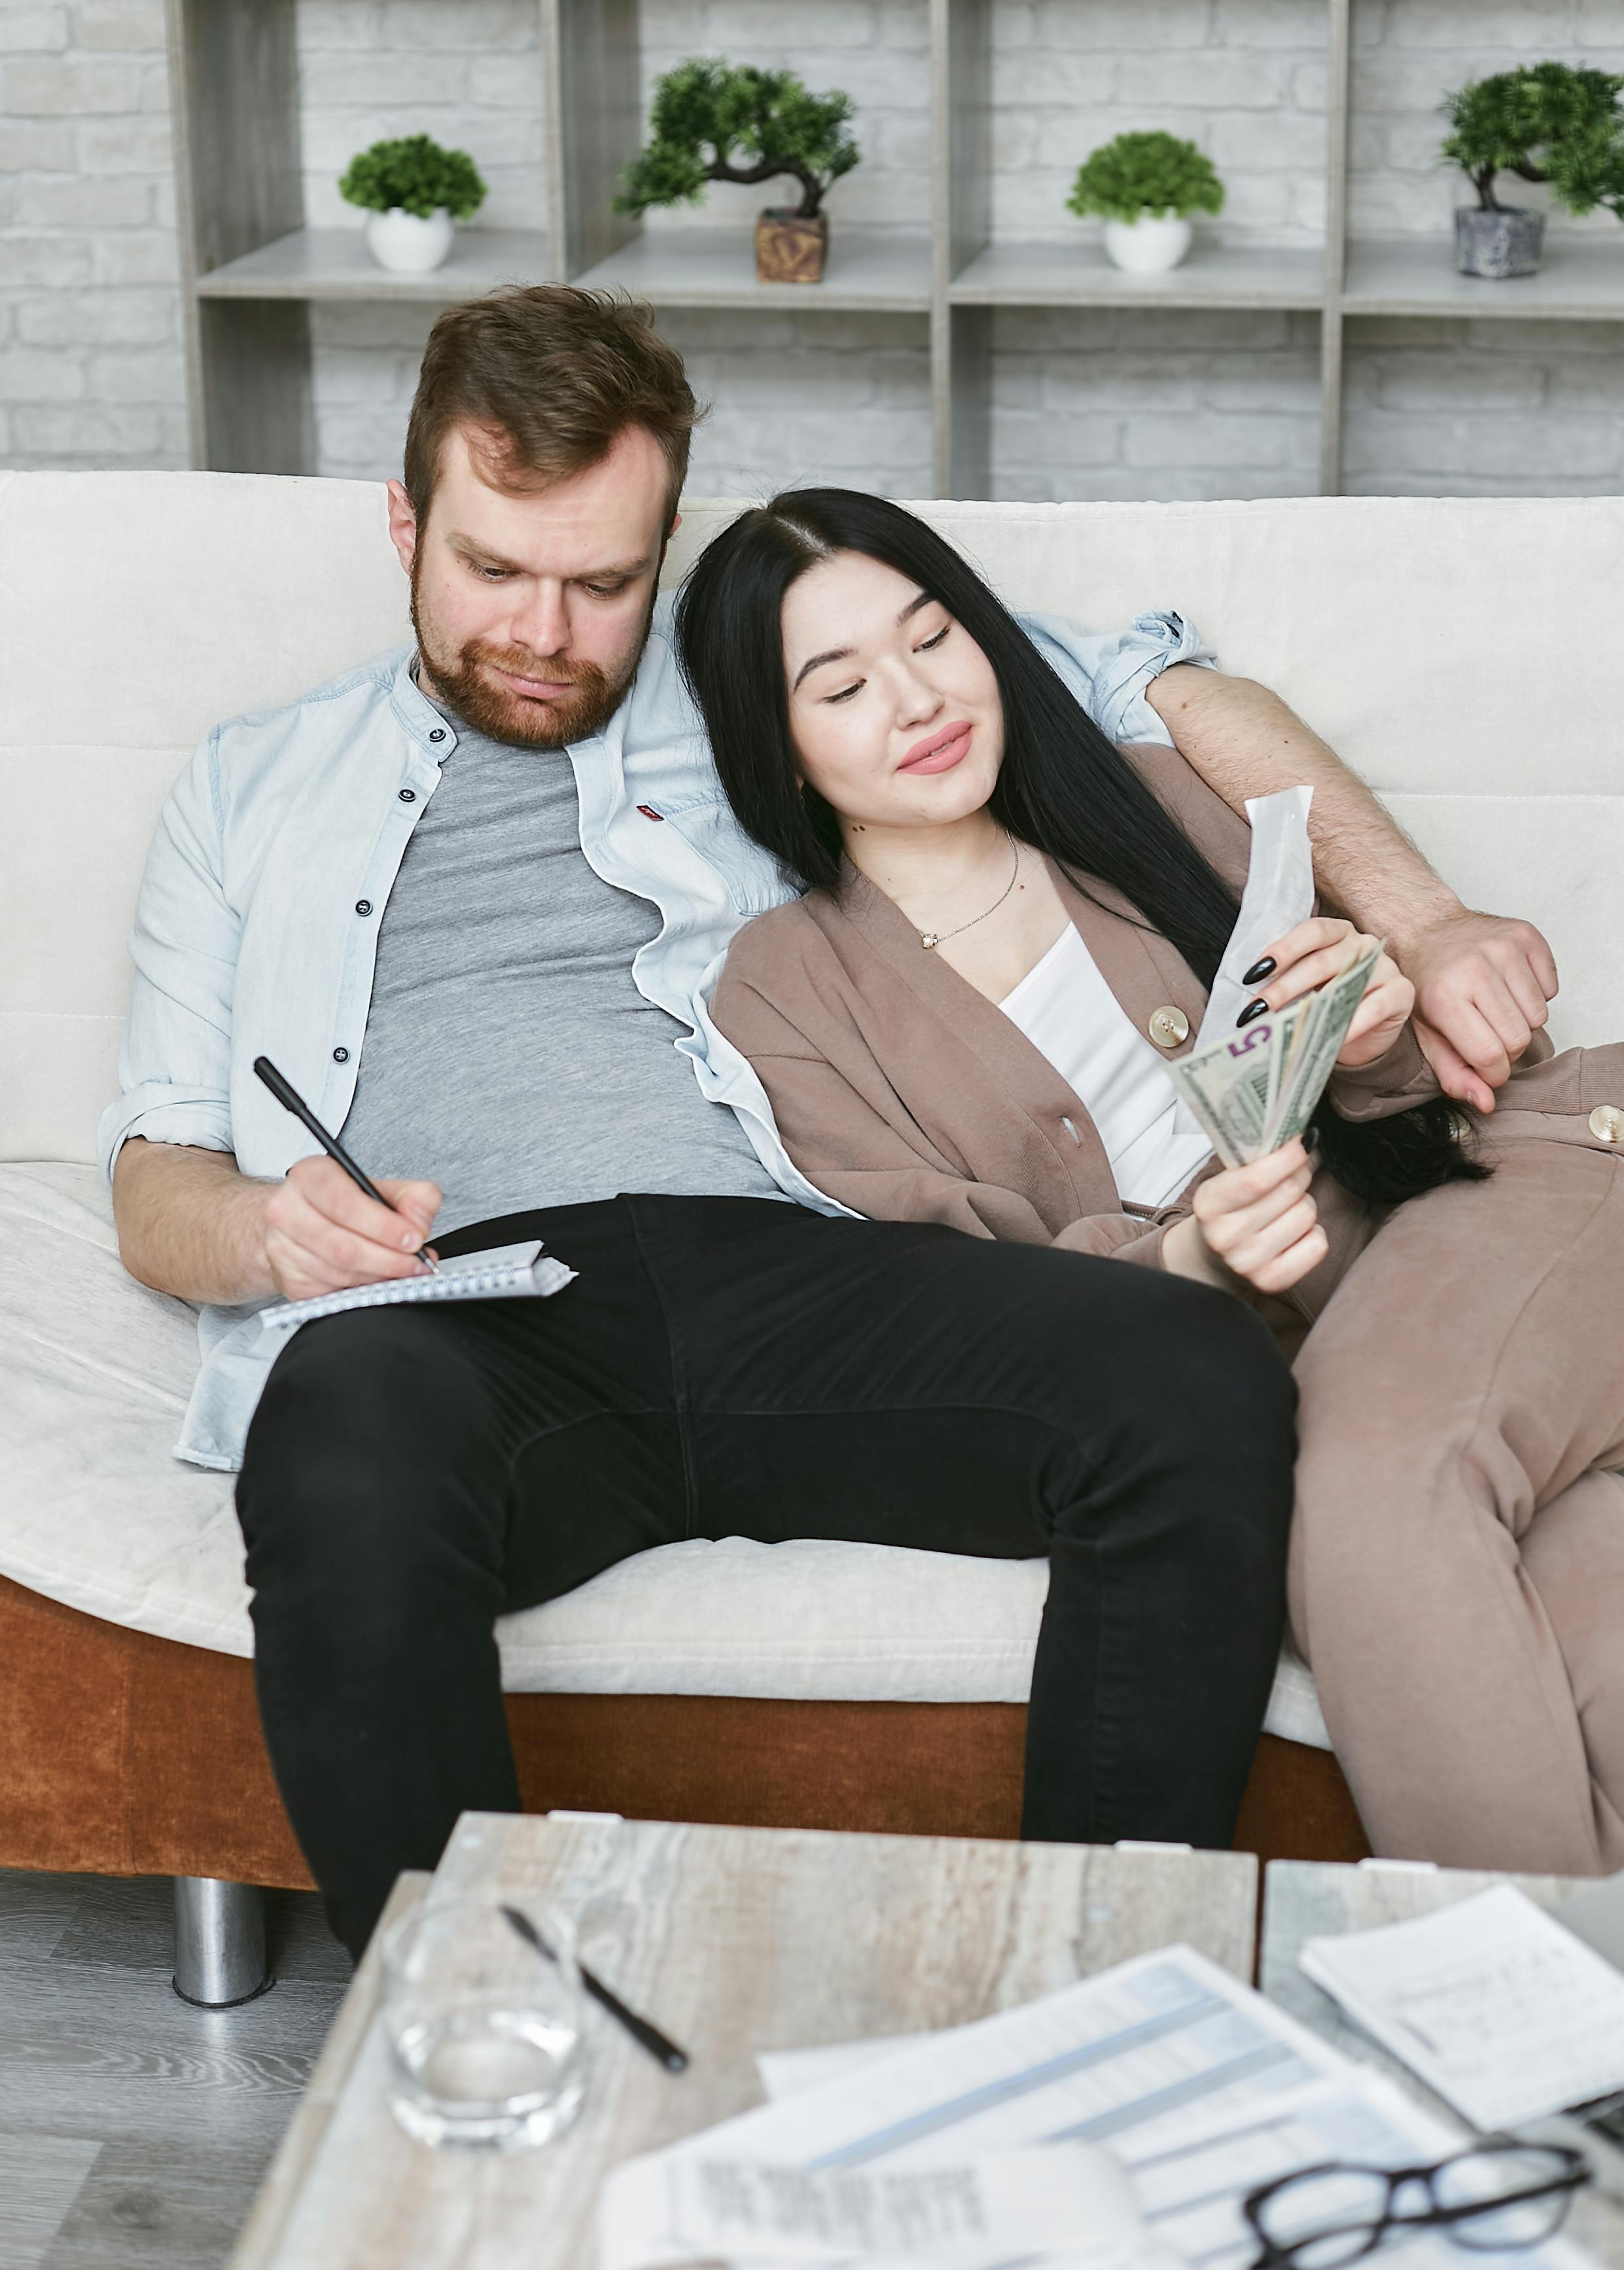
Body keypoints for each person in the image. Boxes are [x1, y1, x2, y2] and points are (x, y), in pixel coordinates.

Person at [101, 289, 1559, 1956]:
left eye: (603, 582)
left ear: (662, 541)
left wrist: (1429, 922)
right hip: (465, 1312)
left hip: (810, 1274)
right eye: (494, 572)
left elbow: (1149, 687)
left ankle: (1095, 1991)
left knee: (1189, 1369)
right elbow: (154, 1176)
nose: (547, 632)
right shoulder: (247, 783)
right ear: (403, 521)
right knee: (335, 1420)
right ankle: (478, 2028)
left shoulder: (761, 677)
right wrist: (272, 1227)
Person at [681, 486, 1624, 1880]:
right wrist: (1187, 1268)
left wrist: (1370, 1034)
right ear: (778, 744)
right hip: (1278, 1378)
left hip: (1499, 1198)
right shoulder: (779, 990)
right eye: (839, 684)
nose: (915, 698)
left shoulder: (1146, 794)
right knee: (1566, 1635)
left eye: (933, 636)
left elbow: (1446, 1090)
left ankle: (1508, 2058)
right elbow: (947, 1292)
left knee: (1362, 1495)